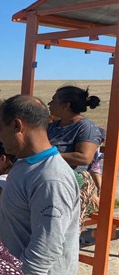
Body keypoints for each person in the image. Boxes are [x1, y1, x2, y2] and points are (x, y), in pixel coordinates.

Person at [0, 95, 80, 275]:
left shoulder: (50, 178)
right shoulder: (25, 165)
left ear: (17, 126)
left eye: (0, 131)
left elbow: (47, 247)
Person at [47, 85, 103, 229]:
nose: (49, 104)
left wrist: (48, 155)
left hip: (74, 181)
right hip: (50, 178)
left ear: (66, 105)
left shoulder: (85, 127)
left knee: (64, 229)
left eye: (53, 100)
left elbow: (84, 158)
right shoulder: (53, 126)